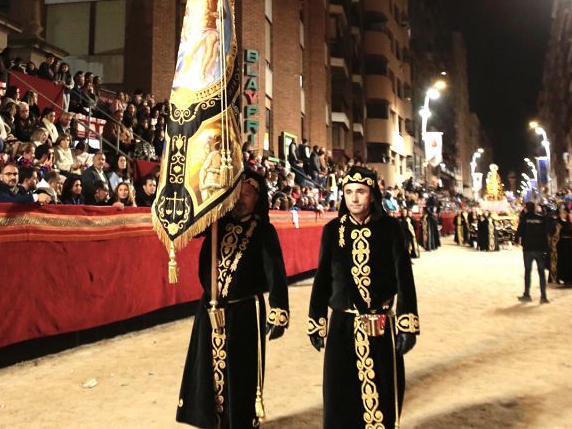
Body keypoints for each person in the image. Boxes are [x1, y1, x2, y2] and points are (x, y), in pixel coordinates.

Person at [176, 170, 289, 428]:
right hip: (210, 309)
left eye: (247, 194)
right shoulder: (217, 223)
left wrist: (279, 310)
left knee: (240, 369)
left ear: (257, 198)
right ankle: (210, 418)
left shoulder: (263, 231)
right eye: (237, 193)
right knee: (207, 365)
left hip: (244, 311)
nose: (241, 199)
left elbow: (276, 273)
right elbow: (187, 228)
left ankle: (239, 419)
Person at [307, 166, 418, 428]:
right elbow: (322, 279)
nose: (354, 198)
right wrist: (316, 320)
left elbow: (404, 278)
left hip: (380, 326)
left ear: (373, 195)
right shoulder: (332, 230)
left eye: (361, 191)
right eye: (348, 192)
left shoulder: (391, 229)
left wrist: (407, 325)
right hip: (341, 328)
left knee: (382, 394)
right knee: (340, 396)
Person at [515, 201, 550, 304]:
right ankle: (543, 297)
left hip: (528, 249)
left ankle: (527, 294)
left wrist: (517, 240)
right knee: (541, 273)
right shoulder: (541, 219)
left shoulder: (525, 218)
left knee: (528, 272)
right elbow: (546, 233)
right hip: (539, 249)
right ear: (534, 208)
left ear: (526, 208)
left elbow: (519, 232)